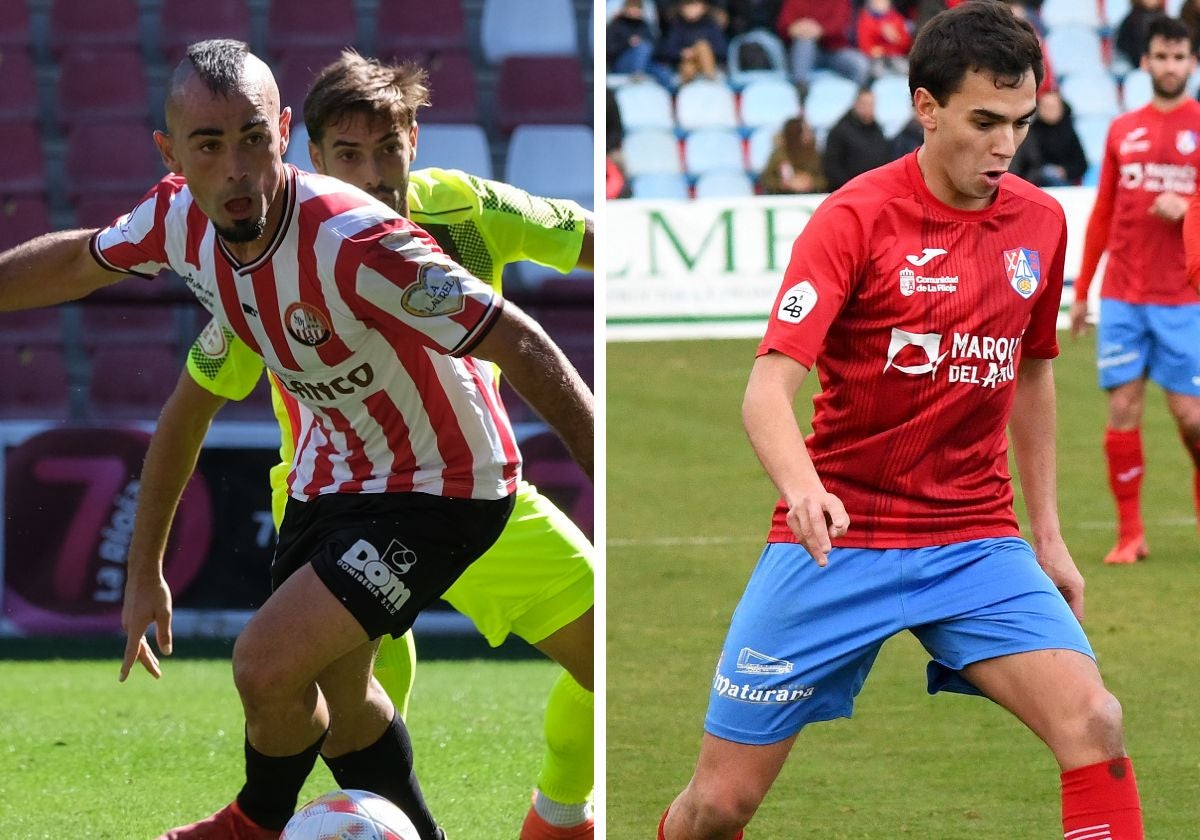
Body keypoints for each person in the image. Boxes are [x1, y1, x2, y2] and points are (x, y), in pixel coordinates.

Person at [0, 40, 593, 840]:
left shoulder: (356, 237)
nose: (237, 168)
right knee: (343, 707)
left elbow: (520, 342)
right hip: (328, 483)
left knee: (264, 663)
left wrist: (610, 482)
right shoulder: (178, 221)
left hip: (442, 481)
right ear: (172, 155)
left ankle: (255, 823)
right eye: (210, 146)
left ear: (281, 133)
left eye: (253, 138)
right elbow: (80, 262)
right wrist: (145, 571)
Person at [658, 4, 1144, 839]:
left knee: (1094, 722)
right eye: (984, 122)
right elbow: (767, 389)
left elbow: (1031, 372)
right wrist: (802, 490)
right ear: (926, 108)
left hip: (974, 538)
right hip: (838, 538)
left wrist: (1050, 533)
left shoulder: (1040, 221)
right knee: (718, 806)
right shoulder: (854, 218)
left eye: (1021, 124)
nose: (1006, 146)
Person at [1071, 15, 1200, 566]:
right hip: (1124, 293)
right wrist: (1083, 289)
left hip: (1183, 297)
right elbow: (1102, 211)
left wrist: (1192, 208)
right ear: (1146, 62)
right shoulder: (1122, 128)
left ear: (1191, 63)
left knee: (1191, 418)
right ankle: (1130, 534)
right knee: (1123, 408)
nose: (1170, 66)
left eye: (1180, 57)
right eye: (1161, 57)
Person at [775, 0, 870, 88]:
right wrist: (794, 29)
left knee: (860, 64)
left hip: (835, 50)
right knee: (805, 43)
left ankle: (857, 100)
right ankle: (800, 92)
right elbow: (783, 25)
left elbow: (841, 26)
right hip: (805, 52)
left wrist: (820, 30)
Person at [821, 86, 892, 191]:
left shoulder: (878, 131)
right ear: (856, 104)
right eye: (865, 104)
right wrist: (853, 187)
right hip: (847, 192)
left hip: (875, 191)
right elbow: (832, 166)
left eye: (871, 104)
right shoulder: (839, 131)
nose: (869, 108)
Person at [654, 0, 730, 85]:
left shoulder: (711, 26)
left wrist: (696, 52)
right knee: (688, 67)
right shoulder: (676, 27)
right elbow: (667, 50)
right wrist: (682, 53)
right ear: (681, 9)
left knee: (702, 46)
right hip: (685, 66)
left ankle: (710, 79)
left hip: (712, 65)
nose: (691, 10)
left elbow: (722, 50)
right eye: (688, 6)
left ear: (703, 8)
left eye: (695, 6)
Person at [1025, 89, 1088, 187]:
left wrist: (1064, 171)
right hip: (1037, 181)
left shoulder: (1068, 130)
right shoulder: (1031, 131)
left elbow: (1081, 164)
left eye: (1054, 107)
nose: (1050, 111)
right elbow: (1026, 163)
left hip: (1065, 182)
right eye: (1046, 107)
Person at [756, 115, 826, 194]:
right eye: (805, 131)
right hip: (784, 199)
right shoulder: (779, 155)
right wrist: (784, 184)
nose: (809, 134)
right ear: (795, 133)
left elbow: (826, 179)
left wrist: (810, 182)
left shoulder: (816, 155)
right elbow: (766, 180)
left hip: (812, 197)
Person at [855, 0, 914, 79]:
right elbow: (863, 43)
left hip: (895, 56)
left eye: (883, 2)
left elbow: (906, 44)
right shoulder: (866, 19)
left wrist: (896, 38)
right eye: (877, 2)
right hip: (875, 59)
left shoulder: (897, 19)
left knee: (906, 69)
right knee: (875, 71)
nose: (880, 5)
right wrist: (872, 50)